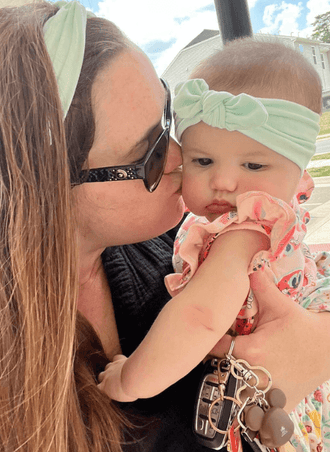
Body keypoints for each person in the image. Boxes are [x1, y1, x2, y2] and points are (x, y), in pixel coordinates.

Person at [0, 0, 329, 452]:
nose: (179, 158)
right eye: (147, 153)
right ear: (43, 195)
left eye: (169, 122)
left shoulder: (176, 239)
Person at [98, 39, 330, 452]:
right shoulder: (228, 222)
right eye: (203, 161)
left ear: (297, 170)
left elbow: (200, 316)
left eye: (253, 165)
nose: (223, 182)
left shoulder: (246, 228)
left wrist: (132, 378)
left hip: (276, 409)